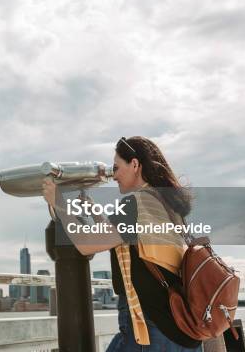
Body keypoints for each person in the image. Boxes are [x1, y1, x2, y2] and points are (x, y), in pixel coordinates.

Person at [43, 136, 202, 352]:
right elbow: (121, 239)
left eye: (116, 168)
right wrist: (94, 211)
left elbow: (87, 245)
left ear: (135, 165)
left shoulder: (135, 202)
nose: (114, 175)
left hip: (150, 328)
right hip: (181, 327)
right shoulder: (166, 203)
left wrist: (58, 204)